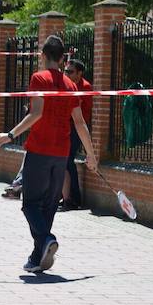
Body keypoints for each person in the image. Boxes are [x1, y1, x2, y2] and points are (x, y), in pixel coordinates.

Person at [0, 35, 98, 273]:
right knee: (49, 206)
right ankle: (37, 256)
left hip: (39, 150)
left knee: (30, 204)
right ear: (62, 59)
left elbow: (36, 113)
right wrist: (91, 154)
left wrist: (10, 135)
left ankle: (47, 239)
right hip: (61, 153)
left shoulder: (38, 78)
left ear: (42, 55)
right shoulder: (71, 85)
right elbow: (80, 122)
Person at [61, 59, 93, 210]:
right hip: (67, 126)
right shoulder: (68, 85)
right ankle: (65, 196)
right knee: (63, 160)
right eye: (65, 71)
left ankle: (74, 199)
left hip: (76, 128)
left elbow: (74, 111)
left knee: (67, 159)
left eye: (70, 72)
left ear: (79, 73)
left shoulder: (85, 87)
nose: (66, 74)